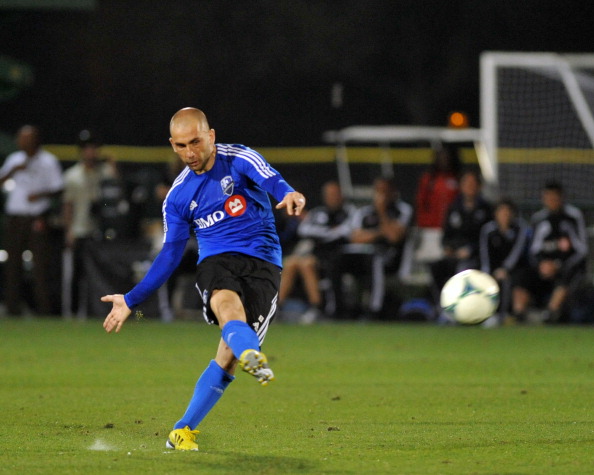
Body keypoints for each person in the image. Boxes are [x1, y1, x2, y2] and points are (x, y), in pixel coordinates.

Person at [101, 107, 306, 451]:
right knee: (225, 303)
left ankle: (181, 430)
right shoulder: (178, 197)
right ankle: (253, 356)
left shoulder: (238, 157)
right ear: (173, 145)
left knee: (226, 356)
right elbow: (169, 255)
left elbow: (271, 178)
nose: (189, 153)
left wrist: (288, 192)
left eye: (195, 142)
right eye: (180, 146)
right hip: (216, 261)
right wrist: (131, 299)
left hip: (263, 262)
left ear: (211, 136)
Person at [0, 125, 64, 316]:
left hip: (37, 217)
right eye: (20, 138)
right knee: (13, 265)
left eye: (25, 138)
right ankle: (12, 309)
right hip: (15, 217)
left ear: (35, 140)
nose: (21, 142)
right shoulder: (14, 159)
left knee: (40, 265)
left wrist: (41, 195)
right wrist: (12, 171)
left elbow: (59, 187)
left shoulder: (48, 161)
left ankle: (43, 310)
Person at [278, 180, 356, 323]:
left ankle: (316, 307)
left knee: (307, 263)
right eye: (328, 194)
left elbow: (344, 232)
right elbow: (304, 229)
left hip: (338, 256)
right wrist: (327, 232)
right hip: (316, 253)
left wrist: (324, 234)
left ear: (341, 195)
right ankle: (277, 307)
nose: (331, 197)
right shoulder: (317, 212)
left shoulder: (349, 212)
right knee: (291, 262)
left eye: (334, 194)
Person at [512, 181, 588, 323]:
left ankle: (551, 313)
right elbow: (533, 251)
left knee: (567, 275)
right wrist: (542, 265)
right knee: (521, 276)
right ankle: (519, 314)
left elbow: (582, 250)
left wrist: (558, 265)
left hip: (566, 267)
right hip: (543, 268)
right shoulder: (538, 219)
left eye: (555, 197)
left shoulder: (574, 216)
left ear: (562, 198)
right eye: (548, 197)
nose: (551, 201)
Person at [62, 130, 118, 317]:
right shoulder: (72, 175)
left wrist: (113, 169)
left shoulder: (105, 171)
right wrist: (68, 230)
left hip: (101, 231)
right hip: (80, 230)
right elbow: (68, 205)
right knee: (77, 275)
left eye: (93, 148)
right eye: (86, 148)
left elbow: (116, 195)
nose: (90, 152)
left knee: (100, 275)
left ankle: (100, 311)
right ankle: (74, 312)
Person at [346, 177, 413, 319]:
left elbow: (394, 237)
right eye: (378, 191)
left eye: (384, 191)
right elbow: (355, 238)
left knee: (375, 261)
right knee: (338, 260)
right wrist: (380, 232)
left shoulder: (402, 210)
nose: (380, 195)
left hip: (391, 260)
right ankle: (340, 310)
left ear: (392, 192)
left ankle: (374, 309)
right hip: (363, 258)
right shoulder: (364, 213)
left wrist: (382, 213)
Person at [429, 169, 493, 310]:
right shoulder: (454, 207)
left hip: (476, 256)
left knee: (463, 269)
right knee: (436, 267)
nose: (470, 187)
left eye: (473, 183)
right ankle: (442, 308)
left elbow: (487, 238)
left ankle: (464, 309)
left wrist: (470, 250)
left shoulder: (486, 209)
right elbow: (446, 235)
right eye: (466, 183)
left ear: (479, 186)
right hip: (455, 253)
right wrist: (448, 247)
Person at [479, 198, 530, 325]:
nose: (504, 215)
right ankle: (485, 313)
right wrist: (488, 272)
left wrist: (505, 269)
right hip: (493, 269)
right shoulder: (488, 230)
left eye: (507, 212)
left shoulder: (520, 228)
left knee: (508, 280)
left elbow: (517, 252)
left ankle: (504, 314)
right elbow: (484, 254)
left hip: (515, 269)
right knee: (487, 281)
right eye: (501, 211)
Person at [414, 144, 461, 263]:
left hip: (451, 230)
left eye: (446, 157)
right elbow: (420, 203)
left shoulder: (457, 178)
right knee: (429, 261)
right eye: (441, 157)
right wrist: (423, 223)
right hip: (430, 229)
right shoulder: (429, 179)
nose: (444, 160)